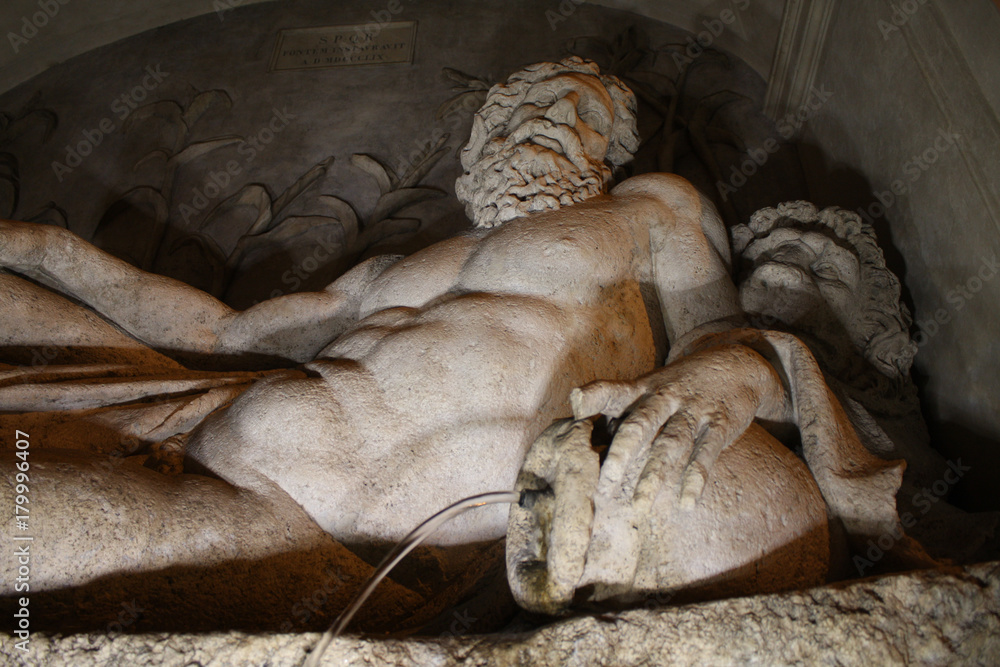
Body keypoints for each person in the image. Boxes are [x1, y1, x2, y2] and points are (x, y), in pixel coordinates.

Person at [0, 58, 908, 627]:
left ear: (612, 157)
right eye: (537, 104)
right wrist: (53, 253)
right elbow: (216, 329)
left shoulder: (648, 210)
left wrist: (739, 371)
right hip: (228, 467)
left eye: (590, 116)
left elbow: (719, 344)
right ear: (485, 144)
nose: (561, 120)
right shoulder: (391, 266)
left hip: (377, 549)